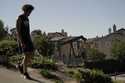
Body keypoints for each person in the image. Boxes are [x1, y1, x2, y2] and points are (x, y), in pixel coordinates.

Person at [16, 4, 34, 79]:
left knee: (31, 54)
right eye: (30, 11)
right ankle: (25, 73)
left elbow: (28, 31)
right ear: (26, 10)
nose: (30, 13)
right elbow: (18, 31)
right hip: (22, 40)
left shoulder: (27, 19)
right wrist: (21, 42)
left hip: (28, 39)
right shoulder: (20, 18)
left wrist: (30, 40)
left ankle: (20, 66)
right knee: (26, 55)